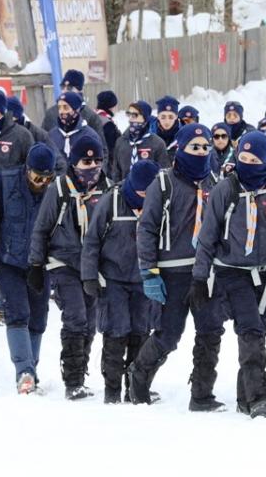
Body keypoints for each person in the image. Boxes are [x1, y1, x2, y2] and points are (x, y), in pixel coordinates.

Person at [130, 124, 226, 411]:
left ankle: (202, 394)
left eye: (205, 147)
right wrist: (149, 271)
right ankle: (138, 380)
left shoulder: (214, 183)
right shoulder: (163, 183)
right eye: (194, 147)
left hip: (205, 272)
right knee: (168, 334)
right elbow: (146, 229)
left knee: (210, 331)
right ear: (180, 149)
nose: (200, 152)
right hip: (171, 273)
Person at [192, 131, 266, 418]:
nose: (247, 164)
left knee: (261, 330)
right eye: (242, 158)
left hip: (265, 273)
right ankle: (258, 396)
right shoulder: (225, 190)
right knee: (250, 331)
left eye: (254, 159)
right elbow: (207, 236)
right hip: (232, 272)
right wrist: (199, 276)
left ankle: (245, 395)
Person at [29, 134, 111, 399]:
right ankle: (72, 380)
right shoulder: (60, 189)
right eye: (86, 161)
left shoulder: (108, 188)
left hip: (94, 265)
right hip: (63, 260)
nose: (93, 166)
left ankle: (81, 370)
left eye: (97, 160)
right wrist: (35, 263)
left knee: (91, 322)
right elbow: (41, 229)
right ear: (74, 162)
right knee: (75, 316)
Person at [0, 144, 57, 394]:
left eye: (47, 178)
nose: (42, 182)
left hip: (40, 263)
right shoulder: (6, 181)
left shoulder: (56, 190)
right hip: (8, 260)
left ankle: (31, 369)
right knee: (18, 312)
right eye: (37, 177)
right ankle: (24, 370)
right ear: (27, 170)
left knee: (38, 317)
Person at [81, 160, 161, 403]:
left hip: (144, 279)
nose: (144, 197)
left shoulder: (160, 204)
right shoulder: (111, 201)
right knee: (117, 332)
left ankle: (135, 389)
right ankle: (112, 390)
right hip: (113, 279)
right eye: (140, 192)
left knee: (140, 332)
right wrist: (89, 275)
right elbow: (92, 241)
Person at [110, 100, 170, 182]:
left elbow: (164, 173)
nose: (130, 119)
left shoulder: (157, 143)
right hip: (125, 191)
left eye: (135, 115)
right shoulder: (121, 142)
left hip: (150, 191)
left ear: (145, 118)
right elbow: (116, 173)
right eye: (129, 114)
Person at [48, 91, 104, 169]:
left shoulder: (89, 135)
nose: (61, 111)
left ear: (76, 110)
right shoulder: (52, 135)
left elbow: (99, 161)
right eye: (59, 107)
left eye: (65, 107)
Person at [41, 69, 106, 137]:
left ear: (80, 90)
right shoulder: (51, 113)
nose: (64, 91)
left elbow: (101, 145)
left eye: (69, 87)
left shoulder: (91, 117)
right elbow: (42, 141)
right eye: (63, 87)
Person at [95, 90, 122, 155]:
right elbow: (111, 148)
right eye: (115, 105)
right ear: (110, 107)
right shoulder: (107, 124)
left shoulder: (94, 116)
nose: (116, 108)